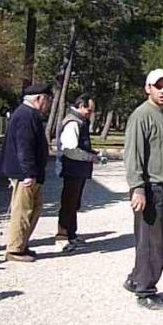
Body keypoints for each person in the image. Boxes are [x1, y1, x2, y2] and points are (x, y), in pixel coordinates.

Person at [123, 69, 163, 312]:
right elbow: (133, 155)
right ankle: (145, 292)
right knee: (151, 242)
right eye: (158, 86)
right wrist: (137, 188)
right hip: (149, 189)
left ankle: (136, 278)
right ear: (147, 88)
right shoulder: (141, 115)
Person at [0, 83, 52, 262]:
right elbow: (24, 147)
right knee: (22, 210)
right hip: (24, 174)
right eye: (48, 99)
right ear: (39, 99)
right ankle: (14, 249)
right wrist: (28, 173)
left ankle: (21, 243)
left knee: (34, 208)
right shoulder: (25, 115)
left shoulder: (29, 114)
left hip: (30, 173)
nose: (49, 103)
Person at [55, 94, 100, 252]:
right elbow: (70, 150)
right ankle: (62, 237)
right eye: (89, 109)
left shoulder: (80, 121)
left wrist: (92, 152)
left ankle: (71, 235)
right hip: (72, 168)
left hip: (77, 169)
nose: (90, 113)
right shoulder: (73, 122)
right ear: (80, 106)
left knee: (74, 203)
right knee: (68, 203)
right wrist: (89, 157)